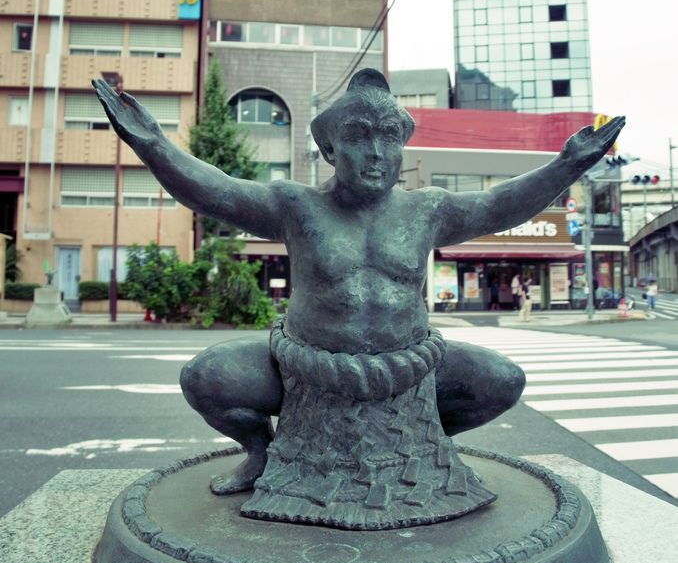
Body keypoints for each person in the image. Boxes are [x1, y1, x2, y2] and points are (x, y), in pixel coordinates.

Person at [93, 70, 624, 496]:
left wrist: (566, 165)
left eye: (389, 136)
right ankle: (261, 452)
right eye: (358, 136)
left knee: (502, 381)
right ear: (328, 150)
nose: (375, 151)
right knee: (205, 378)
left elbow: (496, 205)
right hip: (307, 367)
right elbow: (217, 191)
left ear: (402, 149)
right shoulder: (295, 206)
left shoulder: (428, 210)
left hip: (409, 369)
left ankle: (429, 441)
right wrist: (153, 144)